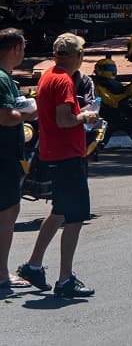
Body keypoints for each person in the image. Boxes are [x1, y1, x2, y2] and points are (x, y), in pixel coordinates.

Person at [16, 33, 98, 297]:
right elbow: (65, 119)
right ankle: (65, 279)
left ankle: (34, 264)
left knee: (60, 211)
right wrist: (85, 116)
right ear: (77, 56)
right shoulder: (63, 80)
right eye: (82, 53)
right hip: (67, 156)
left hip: (54, 153)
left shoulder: (48, 75)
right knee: (75, 217)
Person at [1, 29, 37, 294]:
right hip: (4, 156)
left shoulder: (6, 79)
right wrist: (29, 113)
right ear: (14, 49)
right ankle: (2, 274)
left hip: (7, 155)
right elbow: (4, 116)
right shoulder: (2, 79)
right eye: (23, 48)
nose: (24, 53)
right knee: (8, 212)